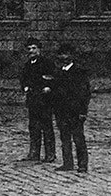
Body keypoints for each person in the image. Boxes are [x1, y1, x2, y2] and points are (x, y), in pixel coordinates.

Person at [50, 44, 91, 173]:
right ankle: (67, 163)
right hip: (61, 111)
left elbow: (85, 93)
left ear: (72, 56)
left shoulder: (79, 72)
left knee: (78, 138)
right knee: (64, 137)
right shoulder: (58, 72)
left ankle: (82, 164)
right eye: (61, 54)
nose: (64, 57)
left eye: (67, 54)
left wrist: (83, 111)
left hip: (75, 111)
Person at [18, 39, 57, 162]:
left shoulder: (47, 63)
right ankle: (34, 153)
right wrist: (25, 87)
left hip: (45, 99)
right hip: (33, 98)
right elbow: (23, 78)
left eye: (34, 48)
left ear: (39, 49)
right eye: (29, 49)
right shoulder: (27, 65)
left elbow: (53, 78)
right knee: (33, 126)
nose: (31, 51)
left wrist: (48, 87)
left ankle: (50, 154)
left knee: (46, 125)